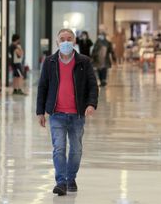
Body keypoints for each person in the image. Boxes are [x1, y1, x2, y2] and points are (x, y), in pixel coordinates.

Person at [36, 28, 98, 196]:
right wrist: (40, 112)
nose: (65, 42)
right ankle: (61, 182)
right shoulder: (49, 62)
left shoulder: (83, 61)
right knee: (59, 148)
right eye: (62, 39)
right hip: (56, 114)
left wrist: (91, 104)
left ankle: (71, 178)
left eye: (69, 38)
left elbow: (93, 85)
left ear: (74, 41)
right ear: (57, 42)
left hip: (77, 114)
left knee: (76, 149)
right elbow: (43, 87)